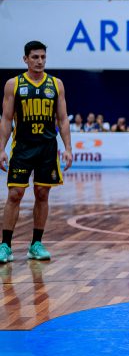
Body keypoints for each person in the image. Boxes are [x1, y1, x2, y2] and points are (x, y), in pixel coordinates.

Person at [0, 41, 73, 263]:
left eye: (43, 57)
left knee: (42, 194)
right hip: (23, 147)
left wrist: (68, 148)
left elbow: (63, 119)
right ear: (25, 59)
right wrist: (1, 149)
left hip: (47, 148)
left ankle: (36, 244)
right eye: (35, 57)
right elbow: (6, 119)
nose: (40, 61)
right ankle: (5, 245)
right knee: (15, 194)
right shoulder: (13, 84)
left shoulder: (56, 84)